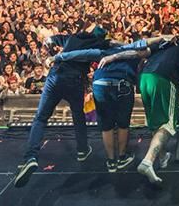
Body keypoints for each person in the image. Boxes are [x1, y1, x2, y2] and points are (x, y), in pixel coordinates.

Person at [14, 24, 113, 188]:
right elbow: (113, 47)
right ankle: (82, 149)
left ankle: (31, 157)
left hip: (56, 76)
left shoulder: (73, 37)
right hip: (75, 80)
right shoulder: (98, 44)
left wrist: (49, 49)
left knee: (41, 118)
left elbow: (50, 39)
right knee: (78, 115)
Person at [51, 35, 168, 173]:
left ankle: (111, 162)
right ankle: (122, 158)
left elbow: (80, 54)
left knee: (106, 126)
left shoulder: (103, 51)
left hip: (100, 84)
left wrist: (57, 57)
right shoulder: (133, 51)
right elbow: (149, 49)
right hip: (122, 83)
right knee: (123, 124)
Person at [136, 36, 179, 185]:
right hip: (165, 79)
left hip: (145, 78)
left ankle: (162, 156)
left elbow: (141, 53)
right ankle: (148, 161)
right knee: (168, 124)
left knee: (156, 121)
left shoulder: (164, 43)